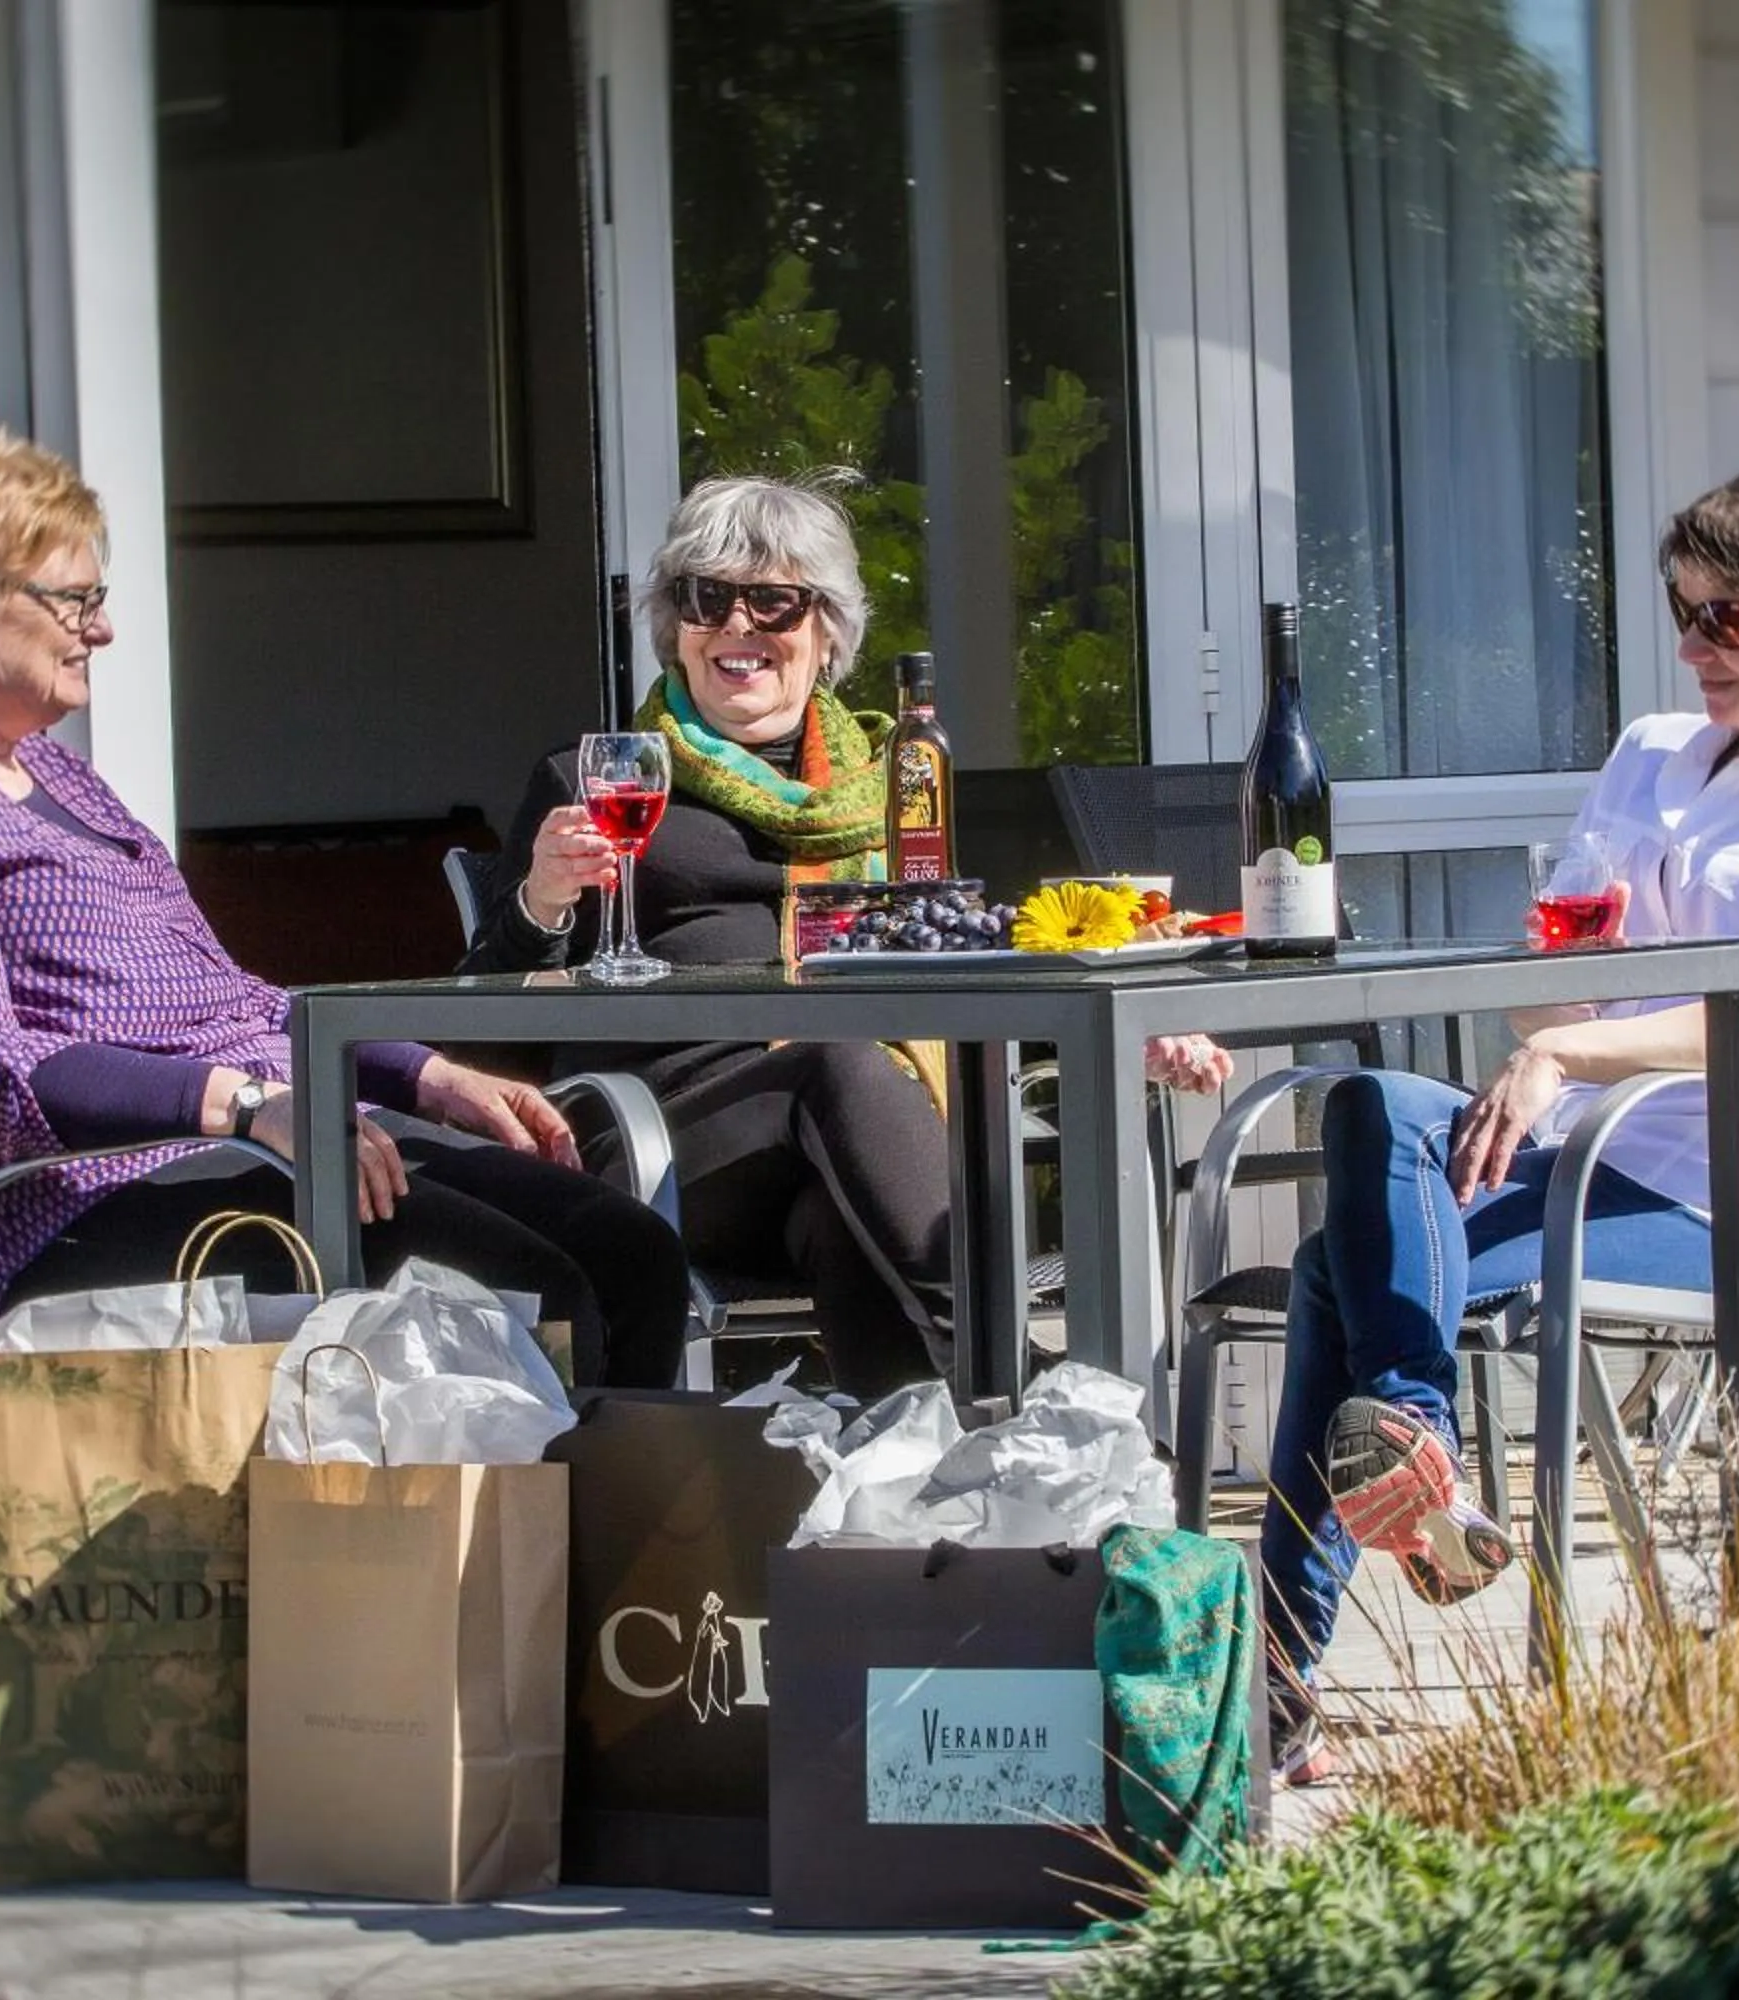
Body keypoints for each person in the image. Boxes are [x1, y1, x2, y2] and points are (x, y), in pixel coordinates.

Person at [1264, 456, 1739, 1782]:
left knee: (1325, 1275)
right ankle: (1414, 1433)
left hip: (1711, 1206)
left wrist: (1573, 1057)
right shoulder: (1650, 756)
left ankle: (1288, 1662)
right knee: (1374, 1106)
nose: (1697, 646)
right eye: (1685, 613)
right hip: (1569, 1160)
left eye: (1732, 620)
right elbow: (1544, 992)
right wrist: (1558, 1021)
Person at [0, 426, 688, 1385]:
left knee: (631, 1255)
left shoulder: (51, 774)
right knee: (540, 1302)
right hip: (64, 1218)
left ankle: (623, 1536)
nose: (103, 628)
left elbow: (230, 1000)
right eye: (74, 600)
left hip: (244, 1159)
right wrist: (247, 1107)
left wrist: (428, 1078)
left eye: (98, 598)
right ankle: (540, 1537)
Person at [462, 471, 1230, 1397]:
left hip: (850, 1143)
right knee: (836, 1059)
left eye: (774, 602)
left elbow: (961, 957)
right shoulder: (600, 781)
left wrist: (1118, 1028)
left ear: (825, 633)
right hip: (668, 1140)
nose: (739, 628)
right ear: (676, 624)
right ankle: (1014, 1377)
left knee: (845, 1214)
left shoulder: (899, 787)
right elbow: (481, 1038)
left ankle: (914, 1497)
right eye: (709, 599)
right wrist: (542, 900)